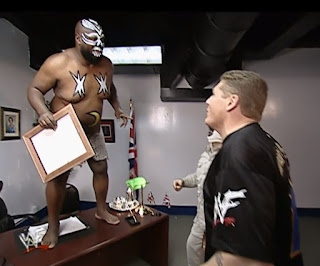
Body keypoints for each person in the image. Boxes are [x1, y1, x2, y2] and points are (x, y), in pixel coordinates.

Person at [27, 18, 131, 249]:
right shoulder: (57, 62)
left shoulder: (106, 63)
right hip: (64, 129)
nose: (99, 45)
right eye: (93, 39)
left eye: (101, 40)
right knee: (59, 178)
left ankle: (101, 210)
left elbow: (110, 87)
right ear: (77, 38)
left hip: (93, 130)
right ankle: (53, 227)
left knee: (101, 167)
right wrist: (43, 111)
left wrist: (117, 107)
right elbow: (34, 89)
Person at [201, 70, 303, 266]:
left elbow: (245, 259)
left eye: (214, 94)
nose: (208, 101)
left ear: (231, 102)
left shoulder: (241, 149)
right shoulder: (267, 143)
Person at [173, 129, 222, 266]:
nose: (210, 131)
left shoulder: (228, 156)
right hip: (201, 218)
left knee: (217, 258)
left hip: (217, 222)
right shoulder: (207, 152)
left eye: (213, 129)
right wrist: (183, 182)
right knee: (192, 247)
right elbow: (199, 176)